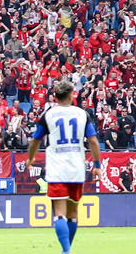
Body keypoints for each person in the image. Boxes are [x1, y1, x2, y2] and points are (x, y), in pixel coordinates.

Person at [26, 79, 103, 254]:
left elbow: (35, 140)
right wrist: (97, 165)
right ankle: (67, 250)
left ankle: (66, 250)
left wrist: (30, 158)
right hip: (76, 168)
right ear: (71, 95)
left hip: (57, 168)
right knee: (73, 213)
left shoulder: (49, 114)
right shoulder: (82, 114)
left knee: (59, 213)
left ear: (55, 96)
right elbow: (93, 141)